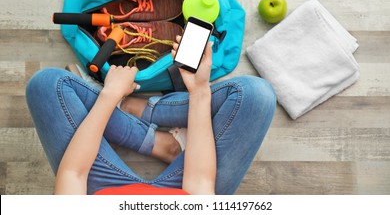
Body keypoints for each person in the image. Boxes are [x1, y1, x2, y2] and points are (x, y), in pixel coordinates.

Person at [25, 36, 276, 195]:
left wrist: (110, 94)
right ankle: (157, 128)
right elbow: (199, 182)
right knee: (256, 96)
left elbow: (74, 173)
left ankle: (139, 119)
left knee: (47, 85)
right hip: (185, 191)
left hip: (104, 188)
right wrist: (199, 90)